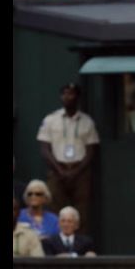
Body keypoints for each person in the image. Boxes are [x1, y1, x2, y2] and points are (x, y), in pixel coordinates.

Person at [37, 83, 100, 236]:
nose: (67, 97)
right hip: (57, 169)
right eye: (64, 93)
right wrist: (60, 170)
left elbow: (91, 150)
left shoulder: (87, 121)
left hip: (80, 171)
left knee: (82, 211)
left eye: (71, 93)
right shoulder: (51, 119)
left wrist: (75, 171)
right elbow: (44, 148)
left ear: (77, 97)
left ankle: (79, 245)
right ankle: (57, 243)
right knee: (54, 208)